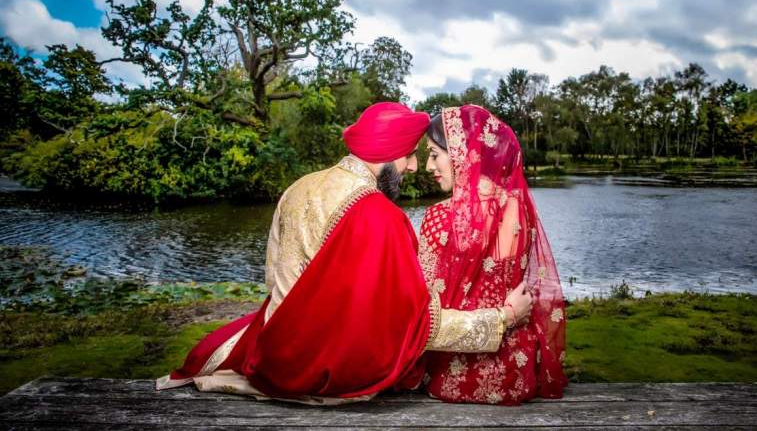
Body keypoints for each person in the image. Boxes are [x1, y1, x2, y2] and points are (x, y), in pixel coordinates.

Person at [156, 102, 533, 404]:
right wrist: (500, 319)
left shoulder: (297, 188)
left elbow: (274, 280)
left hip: (272, 356)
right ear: (387, 152)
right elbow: (414, 324)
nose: (415, 166)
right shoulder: (382, 216)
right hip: (325, 371)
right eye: (408, 156)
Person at [419, 105, 567, 405]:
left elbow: (425, 309)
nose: (428, 167)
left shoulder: (439, 217)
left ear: (462, 152)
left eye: (434, 155)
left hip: (453, 375)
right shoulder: (521, 210)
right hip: (517, 372)